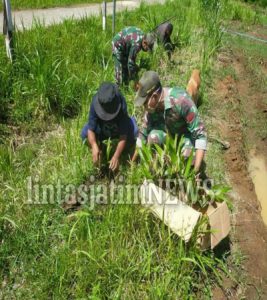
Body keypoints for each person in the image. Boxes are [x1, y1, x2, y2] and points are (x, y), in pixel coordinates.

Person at [133, 70, 207, 174]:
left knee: (189, 160)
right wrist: (133, 162)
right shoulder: (151, 108)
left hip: (184, 136)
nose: (144, 106)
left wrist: (197, 170)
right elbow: (143, 134)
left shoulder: (181, 101)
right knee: (152, 137)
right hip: (166, 135)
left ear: (154, 96)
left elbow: (201, 135)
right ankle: (160, 167)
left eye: (145, 102)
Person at [81, 82, 138, 171]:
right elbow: (91, 130)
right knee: (84, 134)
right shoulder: (95, 103)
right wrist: (94, 145)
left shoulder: (121, 103)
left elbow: (123, 135)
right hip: (102, 129)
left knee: (134, 132)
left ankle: (124, 151)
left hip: (118, 129)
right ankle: (101, 150)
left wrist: (116, 155)